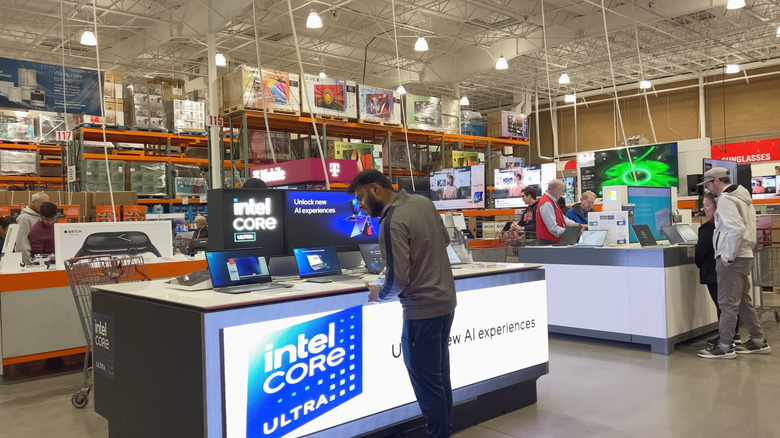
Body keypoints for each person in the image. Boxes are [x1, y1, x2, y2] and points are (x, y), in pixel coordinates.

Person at [348, 169, 456, 438]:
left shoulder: (392, 219)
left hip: (421, 310)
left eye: (360, 197)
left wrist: (378, 294)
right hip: (445, 303)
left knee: (428, 385)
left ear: (375, 189)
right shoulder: (423, 202)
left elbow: (398, 279)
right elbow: (443, 241)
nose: (360, 205)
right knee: (440, 379)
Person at [697, 167, 770, 359]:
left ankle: (725, 346)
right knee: (743, 301)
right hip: (745, 254)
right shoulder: (743, 198)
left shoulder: (727, 200)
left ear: (717, 181)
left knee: (727, 303)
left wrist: (727, 256)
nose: (708, 188)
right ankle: (757, 340)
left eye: (708, 184)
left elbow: (734, 229)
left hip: (733, 257)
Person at [695, 192, 740, 347]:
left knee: (722, 305)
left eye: (707, 205)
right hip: (727, 271)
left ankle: (726, 339)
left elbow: (701, 251)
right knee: (729, 304)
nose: (704, 208)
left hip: (713, 272)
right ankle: (733, 335)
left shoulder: (708, 228)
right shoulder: (727, 225)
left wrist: (697, 262)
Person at [535, 179, 581, 245]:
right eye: (562, 190)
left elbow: (562, 218)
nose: (563, 193)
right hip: (548, 242)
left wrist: (575, 224)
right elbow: (553, 227)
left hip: (553, 241)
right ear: (555, 190)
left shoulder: (553, 201)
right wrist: (570, 232)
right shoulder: (547, 203)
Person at [16, 192, 50, 265]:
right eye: (43, 203)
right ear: (33, 202)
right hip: (32, 264)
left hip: (44, 263)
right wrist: (29, 264)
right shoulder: (24, 218)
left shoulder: (45, 218)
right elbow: (21, 244)